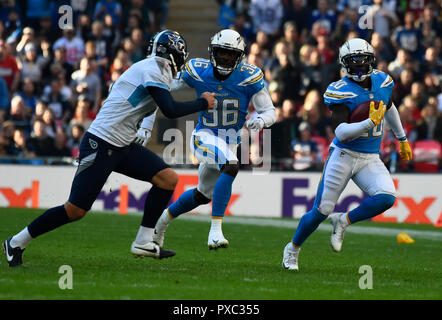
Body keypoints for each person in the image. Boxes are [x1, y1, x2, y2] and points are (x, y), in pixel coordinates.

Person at [3, 30, 216, 267]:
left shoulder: (153, 69)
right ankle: (15, 242)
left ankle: (144, 241)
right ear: (174, 54)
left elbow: (159, 100)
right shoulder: (153, 69)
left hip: (122, 144)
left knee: (167, 179)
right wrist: (202, 103)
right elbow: (170, 109)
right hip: (101, 143)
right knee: (75, 210)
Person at [282, 38, 413, 271]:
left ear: (372, 61)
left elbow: (389, 107)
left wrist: (401, 138)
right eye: (355, 64)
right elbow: (341, 133)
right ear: (345, 65)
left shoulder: (383, 81)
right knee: (321, 211)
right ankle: (292, 248)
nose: (360, 69)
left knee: (386, 198)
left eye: (364, 63)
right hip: (344, 154)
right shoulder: (340, 90)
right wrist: (367, 124)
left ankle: (344, 220)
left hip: (370, 157)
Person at [151, 29, 276, 250]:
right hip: (204, 136)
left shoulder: (249, 76)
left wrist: (262, 121)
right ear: (212, 51)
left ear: (239, 56)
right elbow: (162, 88)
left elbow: (270, 111)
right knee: (231, 166)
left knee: (202, 195)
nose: (225, 58)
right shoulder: (198, 71)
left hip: (230, 142)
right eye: (221, 52)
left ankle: (161, 222)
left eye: (230, 54)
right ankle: (215, 232)